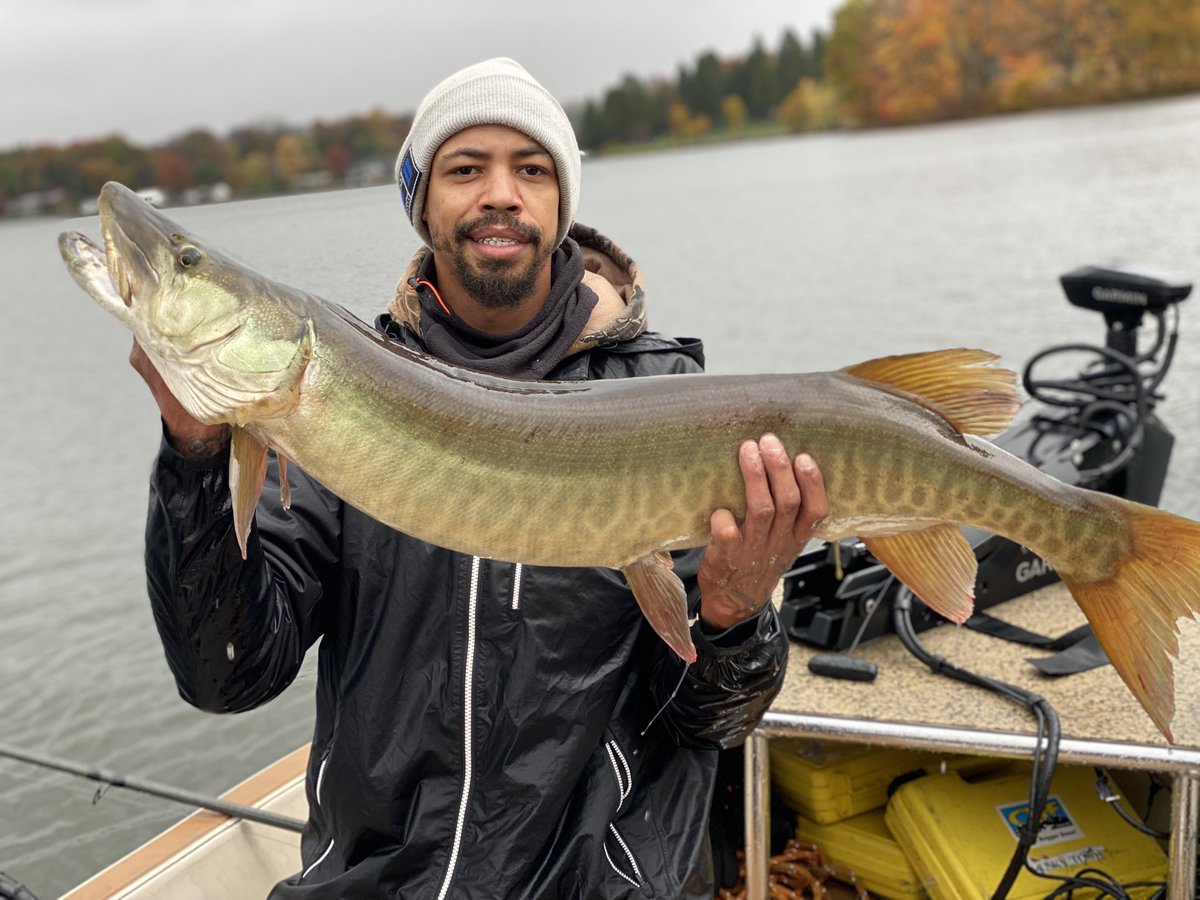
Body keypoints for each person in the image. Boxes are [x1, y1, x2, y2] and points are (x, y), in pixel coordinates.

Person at [130, 58, 827, 899]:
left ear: (561, 203)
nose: (501, 193)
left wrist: (733, 615)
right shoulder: (330, 407)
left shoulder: (668, 406)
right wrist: (196, 459)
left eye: (530, 169)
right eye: (465, 169)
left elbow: (711, 721)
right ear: (422, 202)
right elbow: (229, 673)